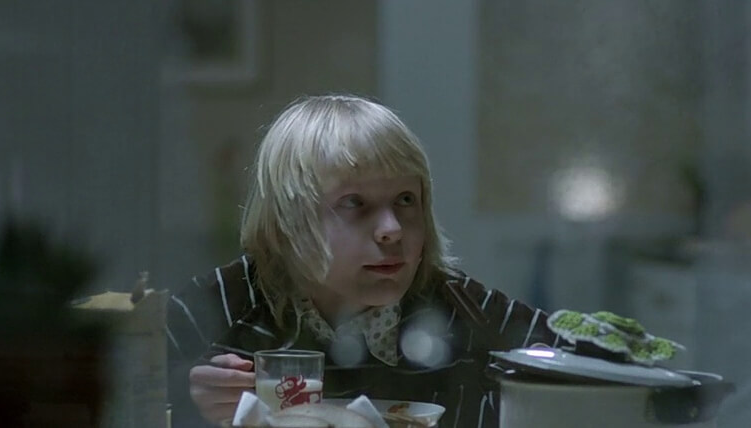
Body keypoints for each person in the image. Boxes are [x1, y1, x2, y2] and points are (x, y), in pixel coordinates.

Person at [165, 94, 558, 427]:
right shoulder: (222, 305)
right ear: (289, 222)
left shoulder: (465, 311)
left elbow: (574, 363)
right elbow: (137, 385)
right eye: (354, 202)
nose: (392, 229)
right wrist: (186, 400)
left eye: (406, 199)